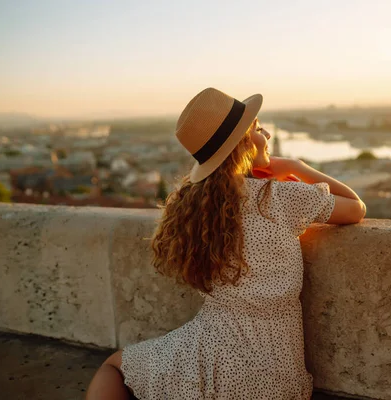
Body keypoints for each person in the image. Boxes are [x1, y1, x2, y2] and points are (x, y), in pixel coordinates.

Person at [86, 88, 366, 400]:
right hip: (277, 374)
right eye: (258, 128)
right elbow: (355, 207)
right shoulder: (275, 198)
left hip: (211, 349)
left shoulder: (195, 208)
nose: (267, 133)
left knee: (114, 367)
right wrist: (295, 167)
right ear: (244, 143)